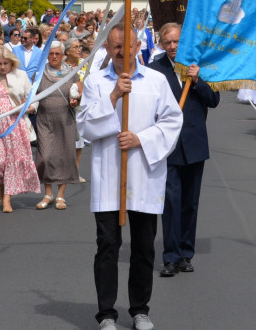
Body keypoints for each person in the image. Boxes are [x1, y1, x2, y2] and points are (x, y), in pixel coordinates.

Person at [78, 24, 182, 330]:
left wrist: (142, 140)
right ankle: (107, 313)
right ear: (108, 50)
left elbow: (172, 121)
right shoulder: (96, 82)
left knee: (144, 246)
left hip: (145, 175)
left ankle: (139, 308)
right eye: (116, 47)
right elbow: (84, 126)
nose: (122, 52)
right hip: (109, 176)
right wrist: (112, 97)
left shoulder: (156, 80)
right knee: (107, 244)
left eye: (128, 46)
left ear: (139, 47)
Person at [149, 23, 219, 278]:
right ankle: (170, 256)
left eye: (176, 41)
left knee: (190, 203)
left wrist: (198, 81)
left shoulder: (199, 67)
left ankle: (185, 254)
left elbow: (214, 100)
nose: (172, 46)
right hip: (167, 147)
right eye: (167, 42)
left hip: (194, 144)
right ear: (161, 44)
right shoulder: (154, 69)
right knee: (170, 202)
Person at [0, 48, 39, 212]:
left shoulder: (21, 75)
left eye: (5, 63)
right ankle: (0, 186)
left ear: (11, 62)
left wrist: (27, 109)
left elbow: (32, 98)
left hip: (15, 124)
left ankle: (7, 198)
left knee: (13, 161)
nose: (2, 67)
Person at [34, 41, 81, 210]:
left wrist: (76, 101)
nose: (54, 56)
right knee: (45, 157)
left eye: (57, 54)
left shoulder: (72, 73)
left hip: (65, 120)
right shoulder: (40, 73)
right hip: (45, 121)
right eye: (51, 53)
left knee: (64, 156)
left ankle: (60, 195)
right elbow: (33, 94)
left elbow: (79, 92)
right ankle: (48, 193)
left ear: (63, 55)